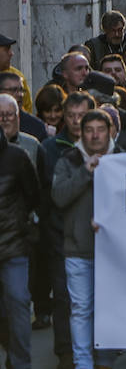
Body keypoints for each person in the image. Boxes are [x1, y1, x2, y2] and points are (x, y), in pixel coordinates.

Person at [52, 109, 118, 369]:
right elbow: (59, 197)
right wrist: (86, 172)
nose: (94, 135)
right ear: (81, 132)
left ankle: (105, 361)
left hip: (114, 251)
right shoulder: (68, 160)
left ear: (110, 131)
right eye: (89, 130)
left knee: (109, 308)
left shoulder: (123, 160)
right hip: (78, 249)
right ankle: (82, 362)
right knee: (81, 309)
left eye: (100, 129)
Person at [0, 102, 39, 369]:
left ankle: (20, 363)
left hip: (13, 246)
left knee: (18, 303)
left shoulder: (17, 157)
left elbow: (34, 197)